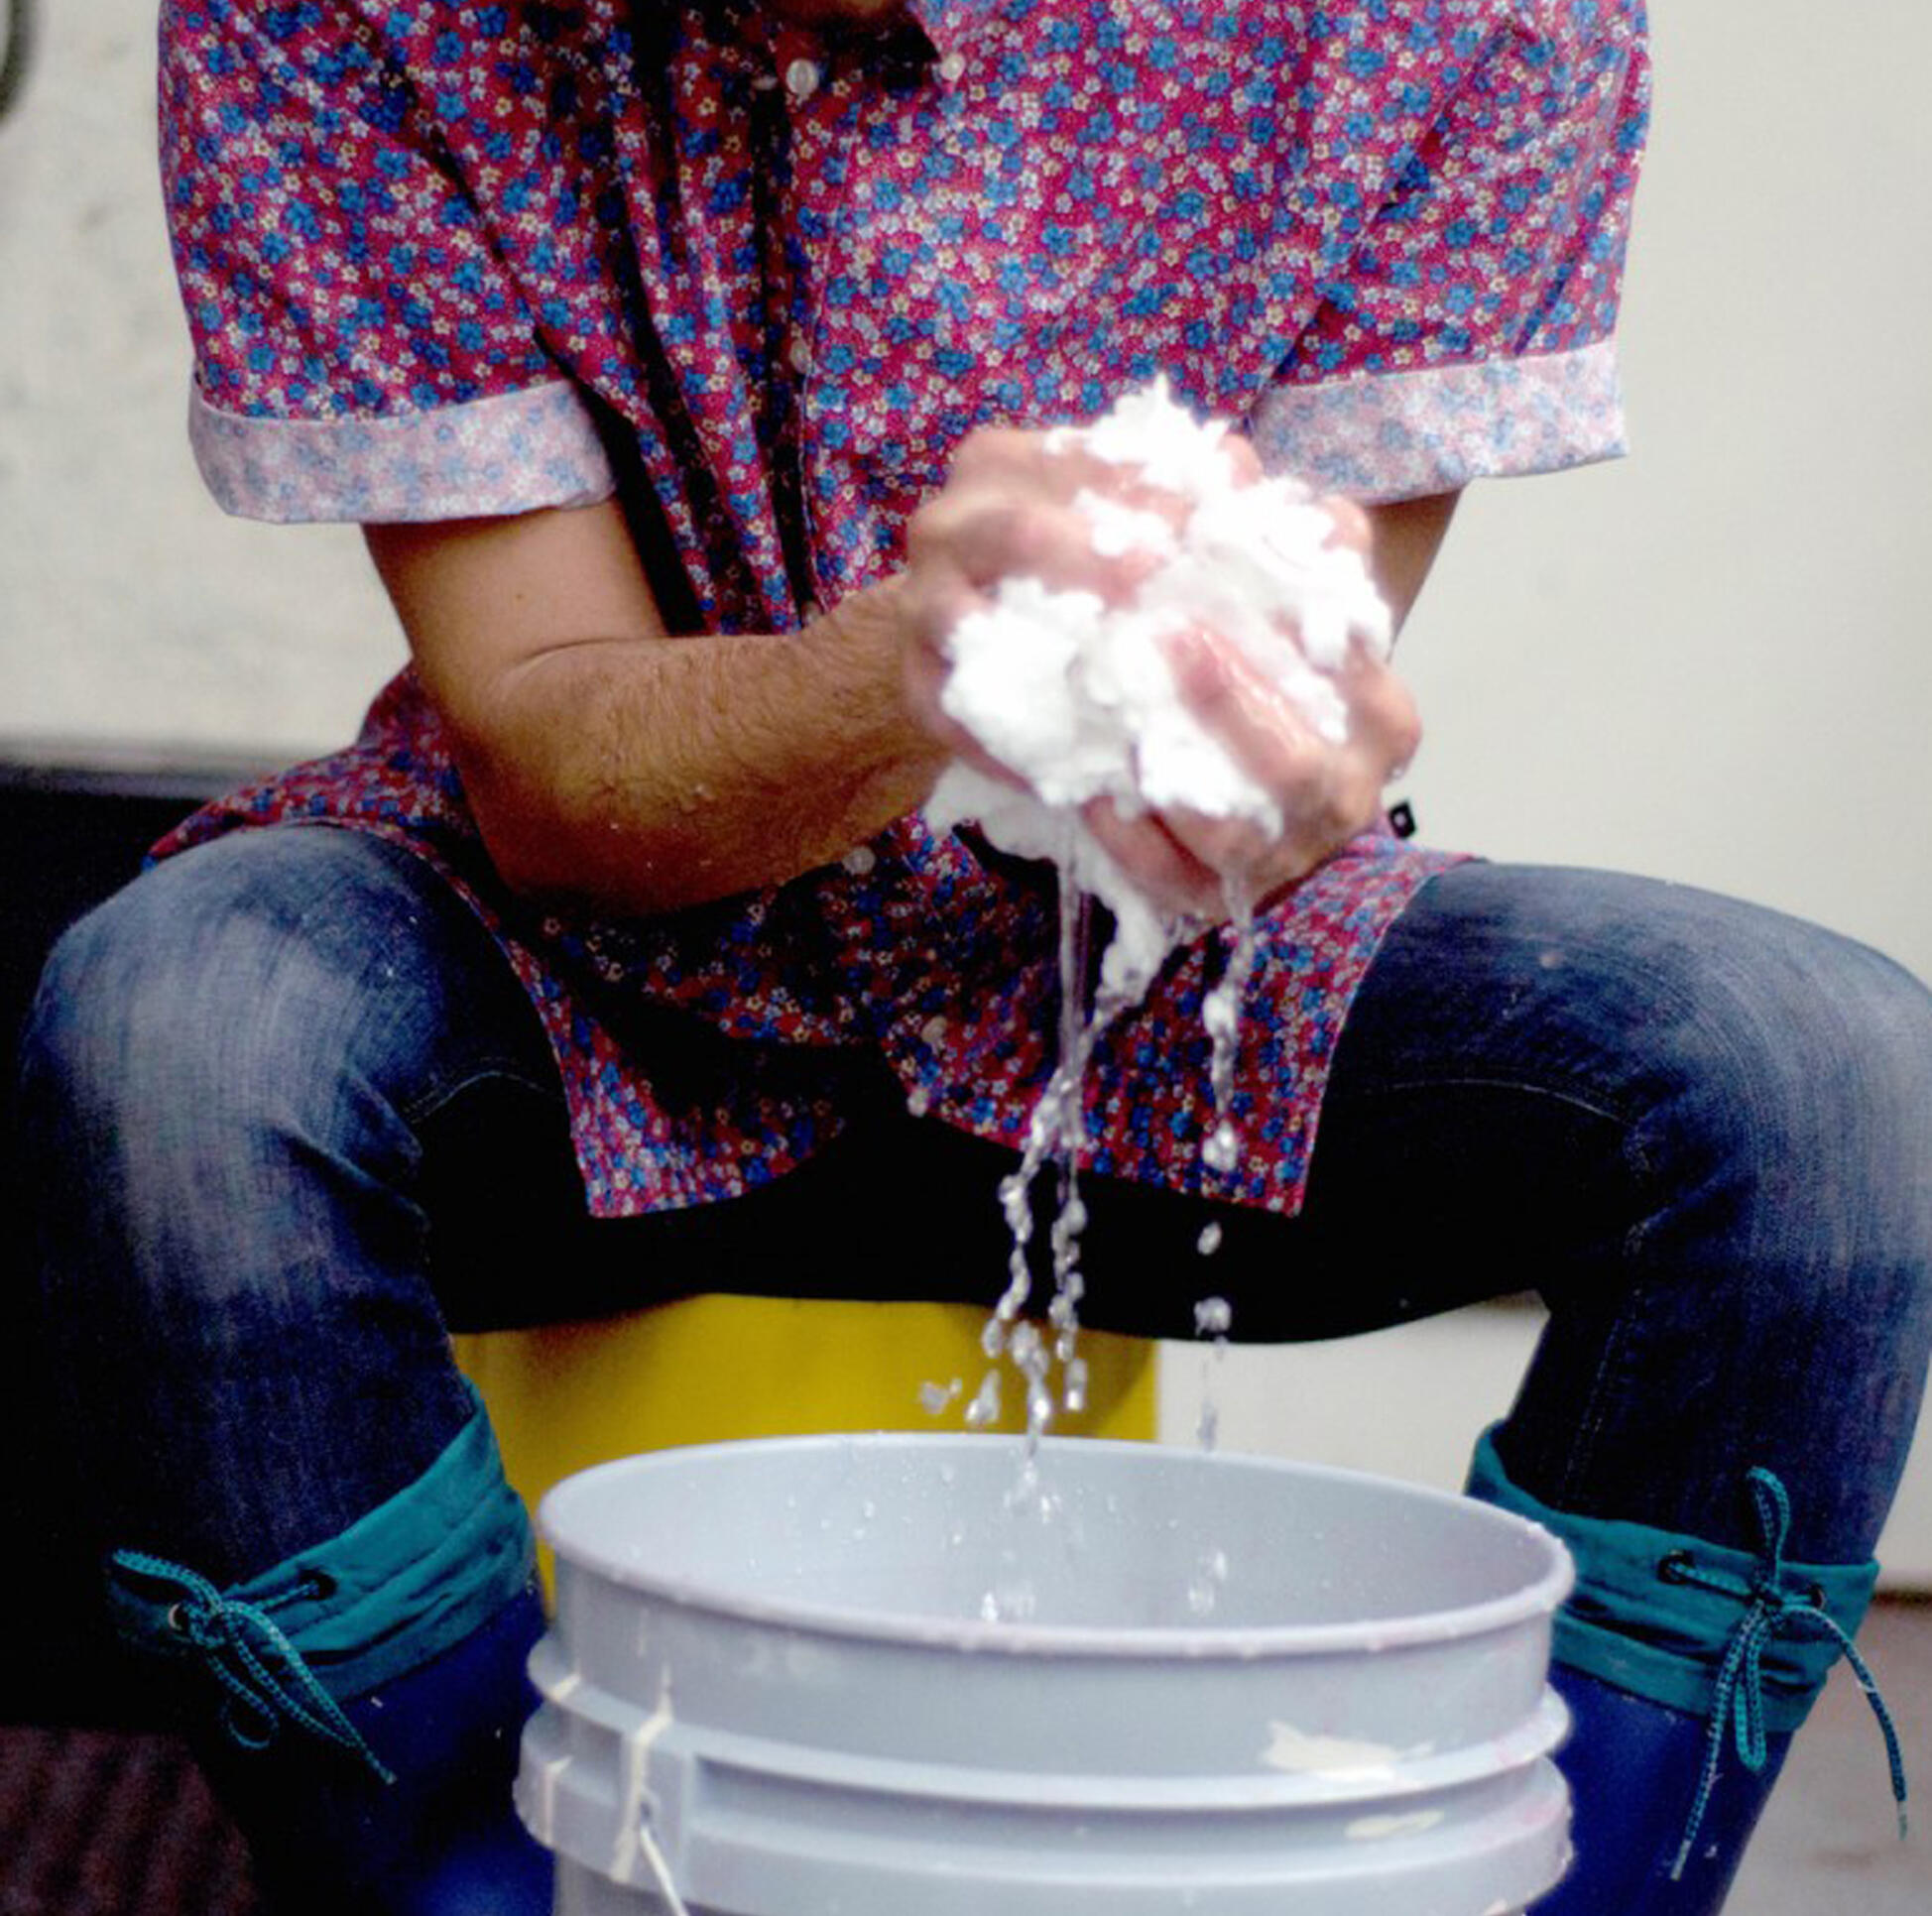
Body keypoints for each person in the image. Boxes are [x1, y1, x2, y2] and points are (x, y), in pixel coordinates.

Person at [17, 1, 1931, 1910]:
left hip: (1141, 1008)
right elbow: (552, 758)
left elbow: (1286, 676)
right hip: (573, 987)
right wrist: (912, 667)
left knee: (1822, 1084)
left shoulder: (1451, 23)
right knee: (186, 1039)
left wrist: (1250, 760)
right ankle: (491, 1888)